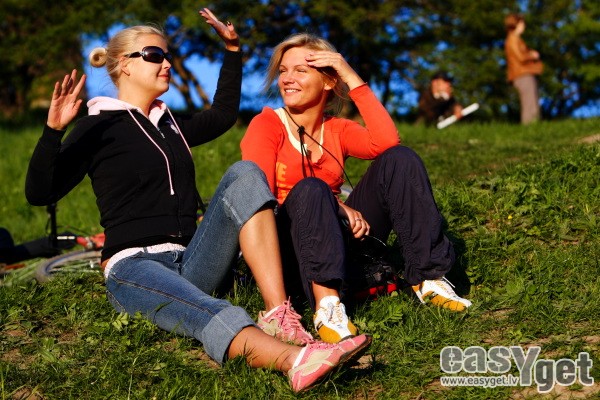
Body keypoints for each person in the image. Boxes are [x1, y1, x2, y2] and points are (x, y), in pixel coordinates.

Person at [24, 9, 371, 393]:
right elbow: (40, 193)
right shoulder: (97, 125)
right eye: (155, 55)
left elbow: (222, 115)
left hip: (191, 258)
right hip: (135, 264)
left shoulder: (170, 125)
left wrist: (233, 50)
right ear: (124, 65)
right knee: (208, 309)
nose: (167, 64)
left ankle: (277, 314)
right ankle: (294, 361)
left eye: (167, 56)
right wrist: (52, 132)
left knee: (245, 173)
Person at [241, 33, 472, 344]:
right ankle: (327, 308)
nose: (287, 79)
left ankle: (428, 277)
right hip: (290, 248)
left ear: (328, 81)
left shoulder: (337, 129)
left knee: (399, 159)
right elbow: (258, 201)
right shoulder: (267, 125)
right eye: (283, 70)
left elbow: (386, 141)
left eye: (300, 70)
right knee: (312, 188)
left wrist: (349, 74)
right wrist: (337, 205)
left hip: (336, 239)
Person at [504, 13, 543, 124]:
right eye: (522, 23)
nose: (524, 26)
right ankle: (530, 126)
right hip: (522, 74)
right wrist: (532, 55)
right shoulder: (512, 39)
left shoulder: (516, 39)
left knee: (531, 101)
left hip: (523, 74)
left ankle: (533, 125)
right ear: (516, 24)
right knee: (529, 103)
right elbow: (520, 57)